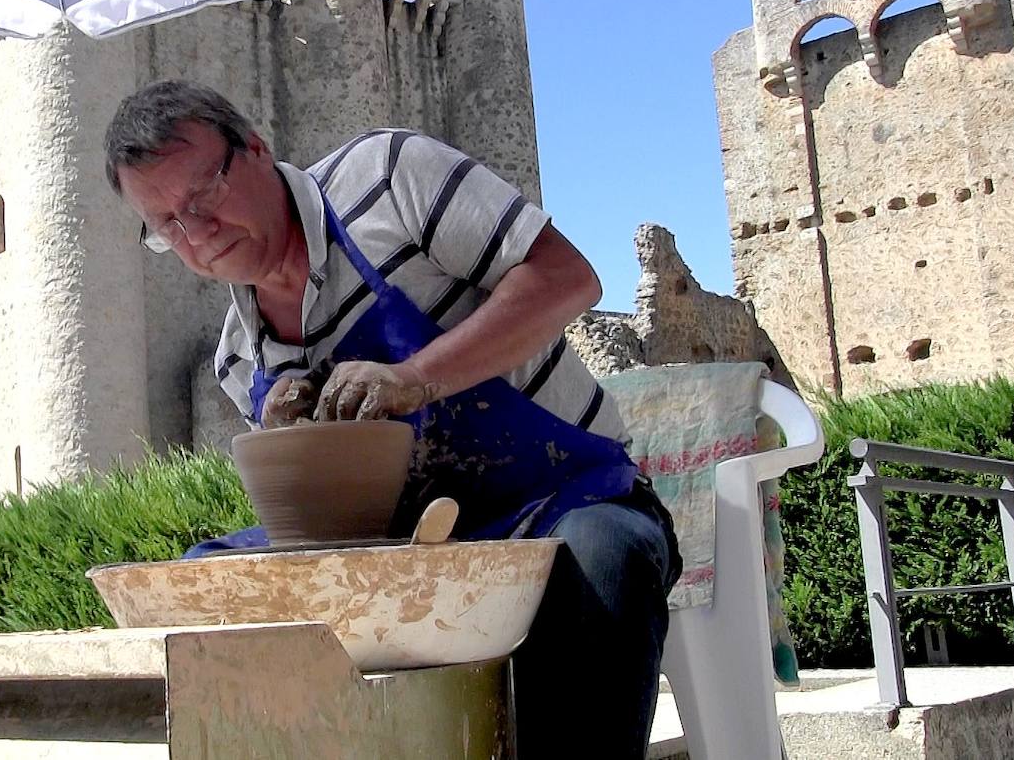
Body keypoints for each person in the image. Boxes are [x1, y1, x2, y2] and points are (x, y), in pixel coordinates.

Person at [103, 79, 682, 758]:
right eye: (166, 225)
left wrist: (415, 378)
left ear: (255, 150)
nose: (195, 234)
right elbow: (335, 524)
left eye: (202, 195)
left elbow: (568, 278)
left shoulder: (387, 176)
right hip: (409, 555)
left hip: (563, 501)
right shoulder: (238, 357)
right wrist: (294, 438)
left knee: (601, 551)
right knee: (208, 586)